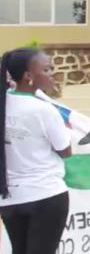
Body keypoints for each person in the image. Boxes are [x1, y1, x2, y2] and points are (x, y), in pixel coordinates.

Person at [0, 48, 72, 254]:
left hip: (10, 199)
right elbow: (65, 150)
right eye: (47, 69)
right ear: (28, 76)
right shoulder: (44, 110)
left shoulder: (5, 102)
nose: (52, 74)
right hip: (45, 196)